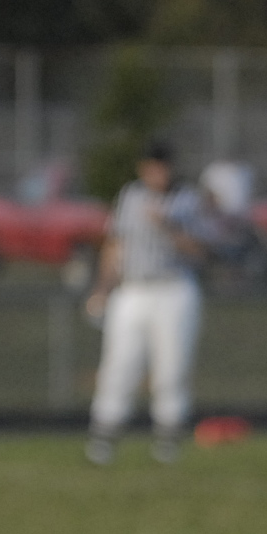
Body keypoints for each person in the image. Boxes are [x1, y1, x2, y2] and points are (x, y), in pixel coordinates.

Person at [85, 142, 205, 465]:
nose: (157, 173)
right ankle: (104, 436)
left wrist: (167, 225)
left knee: (172, 366)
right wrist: (102, 288)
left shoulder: (187, 200)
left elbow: (201, 249)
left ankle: (168, 438)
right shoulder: (130, 196)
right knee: (119, 364)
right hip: (133, 289)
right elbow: (115, 244)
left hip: (173, 288)